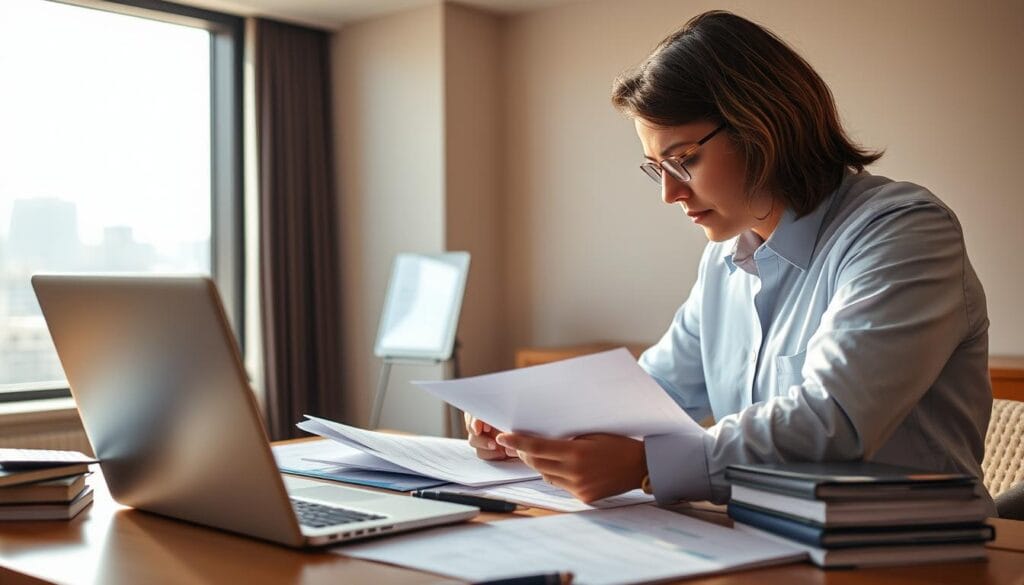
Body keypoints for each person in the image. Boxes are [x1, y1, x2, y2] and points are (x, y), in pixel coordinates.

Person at [466, 10, 995, 513]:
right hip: (767, 540)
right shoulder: (724, 261)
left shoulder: (902, 231)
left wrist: (647, 465)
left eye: (684, 160)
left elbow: (834, 419)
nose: (670, 194)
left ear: (762, 128)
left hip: (917, 555)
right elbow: (651, 392)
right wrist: (526, 423)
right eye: (657, 169)